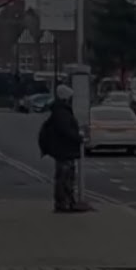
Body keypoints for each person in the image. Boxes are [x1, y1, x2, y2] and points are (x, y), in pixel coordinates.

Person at [40, 85, 90, 213]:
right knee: (64, 178)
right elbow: (65, 130)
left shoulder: (60, 111)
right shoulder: (61, 112)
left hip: (65, 150)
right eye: (70, 97)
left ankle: (67, 202)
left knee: (67, 177)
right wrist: (79, 137)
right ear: (66, 98)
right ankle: (63, 204)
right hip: (64, 150)